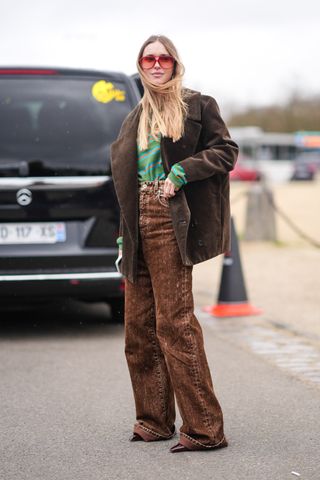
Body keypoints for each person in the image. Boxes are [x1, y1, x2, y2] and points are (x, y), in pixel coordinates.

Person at [110, 34, 239, 453]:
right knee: (138, 329)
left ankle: (205, 429)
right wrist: (121, 235)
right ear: (141, 65)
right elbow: (127, 181)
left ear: (175, 62)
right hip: (137, 222)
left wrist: (182, 171)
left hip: (170, 215)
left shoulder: (198, 105)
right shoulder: (135, 116)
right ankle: (153, 420)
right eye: (149, 59)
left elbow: (226, 151)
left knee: (175, 324)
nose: (156, 64)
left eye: (164, 57)